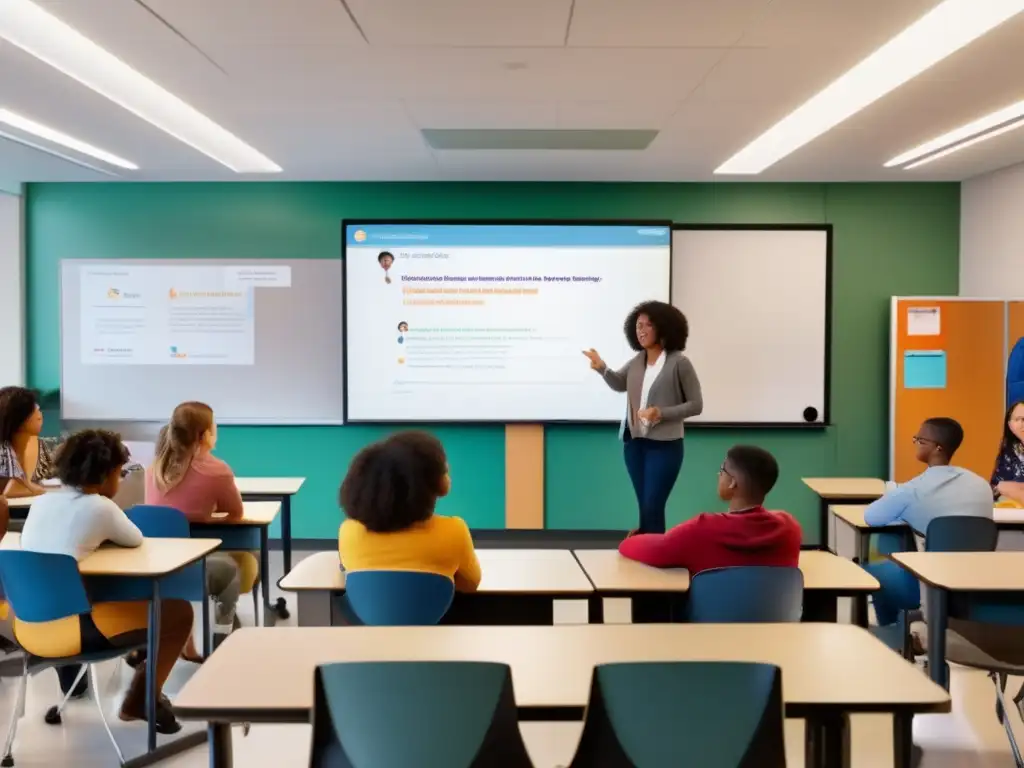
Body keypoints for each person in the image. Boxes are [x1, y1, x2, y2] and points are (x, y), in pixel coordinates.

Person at [17, 429, 193, 733]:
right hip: (77, 628)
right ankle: (140, 699)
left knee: (113, 596)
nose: (121, 480)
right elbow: (134, 539)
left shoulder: (43, 502)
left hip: (30, 629)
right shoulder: (100, 507)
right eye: (119, 473)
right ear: (107, 473)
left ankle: (140, 661)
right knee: (178, 612)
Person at [584, 301, 703, 534]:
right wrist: (602, 368)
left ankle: (655, 552)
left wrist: (661, 413)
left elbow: (696, 405)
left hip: (665, 446)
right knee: (644, 503)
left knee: (653, 503)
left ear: (664, 328)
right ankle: (647, 546)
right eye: (638, 325)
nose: (642, 330)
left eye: (648, 325)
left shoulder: (679, 363)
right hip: (635, 443)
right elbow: (619, 383)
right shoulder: (637, 361)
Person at [862, 417, 992, 627]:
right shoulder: (980, 484)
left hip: (931, 583)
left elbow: (872, 517)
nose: (916, 443)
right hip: (975, 584)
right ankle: (908, 628)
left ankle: (893, 633)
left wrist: (904, 512)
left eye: (920, 440)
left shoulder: (913, 489)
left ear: (937, 448)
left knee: (871, 568)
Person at [145, 402, 255, 649]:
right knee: (230, 569)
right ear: (204, 435)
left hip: (153, 565)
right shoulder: (217, 470)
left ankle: (184, 639)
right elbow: (235, 513)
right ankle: (222, 634)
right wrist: (206, 518)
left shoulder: (154, 469)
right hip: (190, 566)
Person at [618, 445, 801, 574]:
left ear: (732, 482)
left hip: (707, 625)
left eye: (722, 469)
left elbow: (653, 550)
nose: (718, 474)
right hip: (776, 627)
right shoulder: (789, 528)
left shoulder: (703, 529)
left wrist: (633, 540)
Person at [338, 431, 481, 595]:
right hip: (437, 617)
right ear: (438, 482)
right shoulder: (454, 531)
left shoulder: (349, 531)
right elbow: (470, 584)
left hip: (366, 619)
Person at [0, 386, 60, 496]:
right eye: (33, 408)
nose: (39, 413)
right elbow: (12, 490)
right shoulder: (5, 452)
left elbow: (22, 483)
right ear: (18, 418)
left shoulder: (20, 448)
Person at [991, 400, 1024, 504]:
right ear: (1010, 425)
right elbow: (996, 487)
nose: (1023, 422)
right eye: (1018, 419)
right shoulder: (1009, 451)